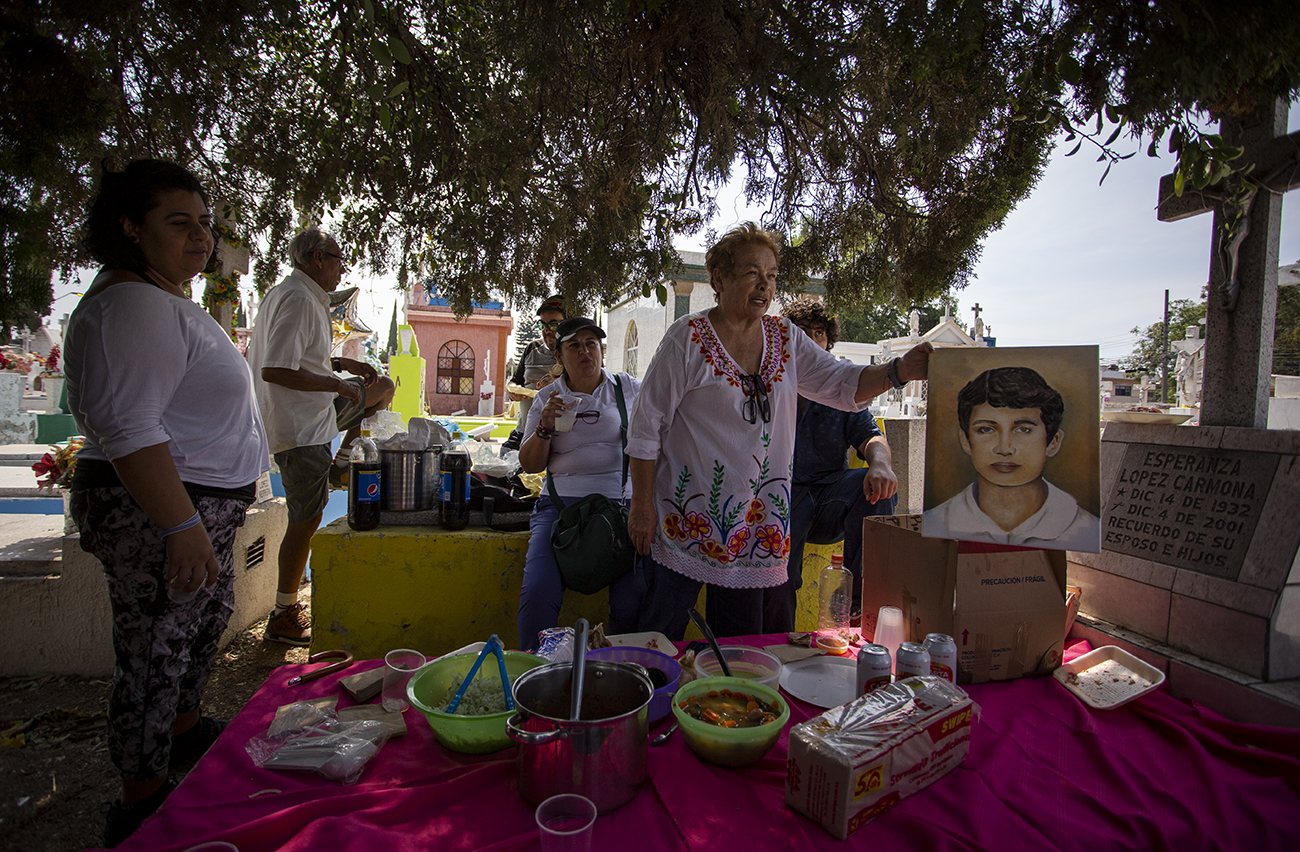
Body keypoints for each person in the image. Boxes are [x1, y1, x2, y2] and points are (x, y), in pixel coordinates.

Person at [64, 159, 270, 846]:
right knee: (155, 650)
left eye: (205, 224)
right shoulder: (131, 305)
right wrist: (179, 523)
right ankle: (141, 802)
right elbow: (128, 427)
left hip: (197, 505)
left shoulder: (160, 300)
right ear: (130, 228)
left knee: (194, 632)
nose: (200, 238)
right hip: (163, 508)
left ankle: (180, 735)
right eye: (178, 223)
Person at [626, 223, 932, 640]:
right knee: (661, 631)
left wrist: (898, 372)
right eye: (752, 272)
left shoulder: (785, 338)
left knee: (741, 642)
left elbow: (842, 384)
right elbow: (646, 428)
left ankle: (726, 704)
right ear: (719, 278)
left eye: (771, 275)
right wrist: (641, 507)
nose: (764, 285)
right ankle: (653, 700)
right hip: (686, 517)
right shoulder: (688, 339)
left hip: (757, 524)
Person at [246, 228, 394, 645]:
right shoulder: (297, 298)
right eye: (337, 258)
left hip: (309, 418)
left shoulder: (294, 294)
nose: (341, 267)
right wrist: (336, 384)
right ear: (315, 259)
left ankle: (344, 461)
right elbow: (274, 369)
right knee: (306, 518)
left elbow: (298, 354)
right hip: (297, 425)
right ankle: (282, 612)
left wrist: (339, 362)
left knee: (381, 387)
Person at [764, 298, 899, 632]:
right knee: (780, 577)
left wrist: (881, 464)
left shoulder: (842, 386)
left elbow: (871, 436)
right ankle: (777, 646)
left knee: (876, 488)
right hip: (780, 497)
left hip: (829, 498)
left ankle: (860, 607)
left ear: (828, 341)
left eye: (820, 333)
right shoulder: (769, 382)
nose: (811, 340)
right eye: (802, 332)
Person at [516, 317, 644, 650]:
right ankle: (536, 670)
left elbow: (657, 439)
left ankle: (620, 668)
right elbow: (530, 464)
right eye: (574, 345)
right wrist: (544, 427)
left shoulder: (628, 388)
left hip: (620, 505)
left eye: (592, 344)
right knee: (538, 591)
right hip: (561, 507)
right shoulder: (547, 396)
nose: (585, 352)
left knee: (634, 596)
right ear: (559, 357)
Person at [922, 366, 1100, 550]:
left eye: (1024, 429)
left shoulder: (1086, 529)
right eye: (986, 429)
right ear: (966, 440)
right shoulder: (936, 522)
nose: (1005, 448)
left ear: (1053, 441)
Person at [502, 295, 566, 453]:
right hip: (524, 431)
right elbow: (515, 380)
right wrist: (512, 390)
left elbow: (594, 388)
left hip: (559, 437)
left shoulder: (576, 350)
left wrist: (560, 381)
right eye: (542, 325)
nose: (547, 331)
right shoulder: (532, 348)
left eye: (553, 325)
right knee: (502, 465)